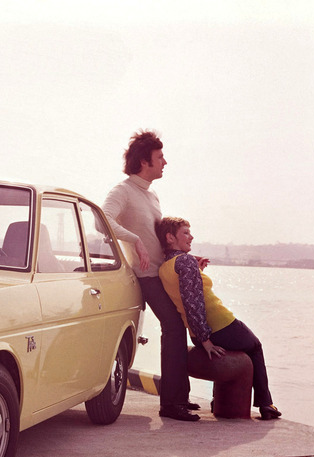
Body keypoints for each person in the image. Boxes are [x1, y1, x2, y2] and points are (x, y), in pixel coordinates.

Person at [103, 130, 198, 421]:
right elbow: (102, 220)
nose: (165, 162)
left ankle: (179, 397)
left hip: (163, 272)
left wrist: (184, 258)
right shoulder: (123, 191)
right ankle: (170, 404)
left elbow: (158, 238)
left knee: (179, 326)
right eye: (160, 157)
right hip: (146, 276)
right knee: (174, 326)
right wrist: (134, 240)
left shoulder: (151, 193)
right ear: (144, 162)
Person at [155, 217, 281, 420]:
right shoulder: (186, 261)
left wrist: (198, 272)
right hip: (220, 325)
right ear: (170, 238)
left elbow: (186, 294)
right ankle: (266, 404)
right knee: (255, 346)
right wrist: (206, 340)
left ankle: (218, 400)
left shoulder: (165, 267)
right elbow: (193, 303)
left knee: (232, 351)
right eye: (185, 233)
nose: (191, 237)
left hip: (197, 331)